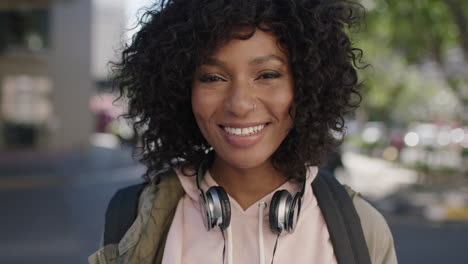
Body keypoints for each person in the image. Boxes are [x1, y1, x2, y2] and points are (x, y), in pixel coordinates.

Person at [89, 0, 397, 263]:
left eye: (267, 74)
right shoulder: (133, 219)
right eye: (212, 78)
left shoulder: (360, 228)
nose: (239, 104)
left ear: (305, 85)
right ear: (182, 89)